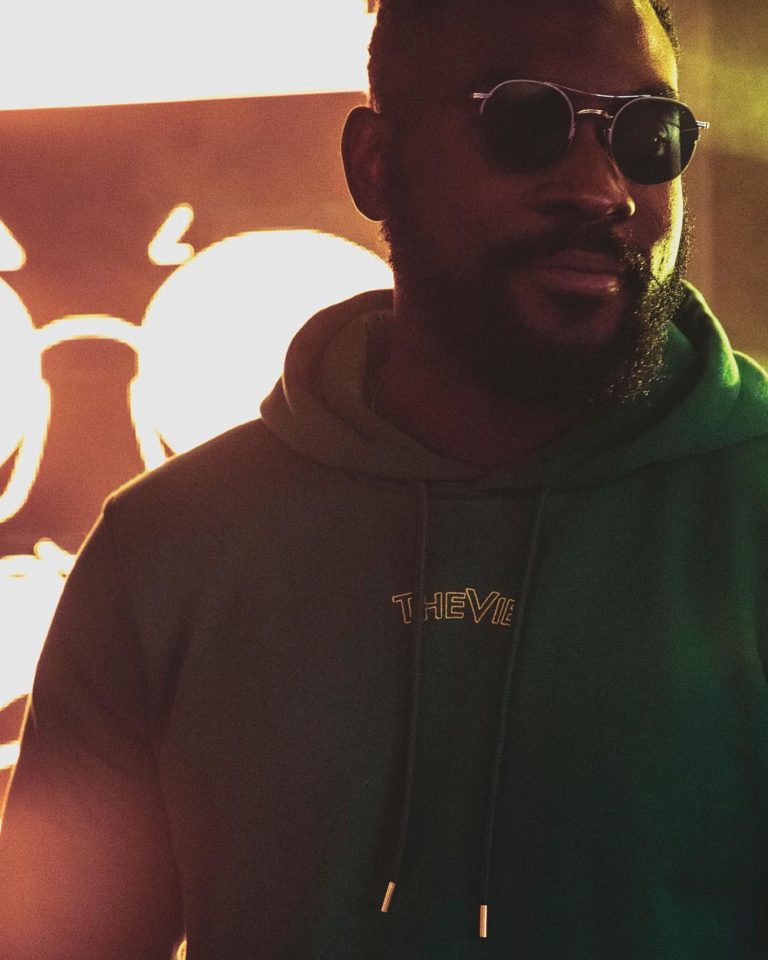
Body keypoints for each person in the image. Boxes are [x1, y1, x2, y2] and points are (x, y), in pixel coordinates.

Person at [2, 0, 768, 957]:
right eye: (526, 118)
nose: (598, 187)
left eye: (647, 133)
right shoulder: (166, 552)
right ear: (374, 161)